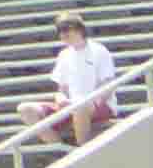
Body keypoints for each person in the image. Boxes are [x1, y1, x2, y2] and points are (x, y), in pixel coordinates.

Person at [18, 10, 118, 146]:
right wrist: (61, 99)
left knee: (81, 105)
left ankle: (82, 148)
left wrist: (89, 103)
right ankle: (59, 148)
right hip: (72, 105)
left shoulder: (99, 51)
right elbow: (62, 89)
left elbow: (108, 85)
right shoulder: (64, 55)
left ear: (79, 30)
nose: (63, 35)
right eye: (60, 31)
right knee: (25, 109)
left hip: (95, 105)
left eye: (66, 30)